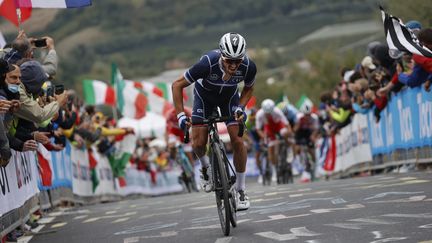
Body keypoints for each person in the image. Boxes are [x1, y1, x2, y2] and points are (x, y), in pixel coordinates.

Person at [172, 32, 256, 210]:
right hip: (204, 99)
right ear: (221, 55)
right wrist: (180, 115)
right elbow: (177, 85)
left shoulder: (248, 66)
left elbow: (249, 88)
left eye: (237, 61)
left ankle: (240, 190)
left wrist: (241, 107)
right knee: (199, 142)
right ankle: (205, 168)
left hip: (229, 100)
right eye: (229, 61)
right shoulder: (207, 63)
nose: (233, 66)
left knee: (238, 141)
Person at [255, 99, 291, 182]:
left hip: (279, 126)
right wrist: (264, 137)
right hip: (269, 128)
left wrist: (289, 133)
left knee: (284, 133)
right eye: (266, 113)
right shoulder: (259, 114)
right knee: (270, 148)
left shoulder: (277, 111)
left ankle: (287, 148)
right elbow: (258, 129)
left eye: (269, 112)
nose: (268, 114)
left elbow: (287, 124)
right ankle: (274, 171)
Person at [293, 103, 319, 181]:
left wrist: (313, 136)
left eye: (308, 114)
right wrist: (298, 124)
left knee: (311, 151)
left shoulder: (314, 117)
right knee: (297, 148)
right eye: (305, 115)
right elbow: (295, 130)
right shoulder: (298, 117)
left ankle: (315, 167)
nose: (307, 116)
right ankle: (299, 163)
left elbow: (316, 129)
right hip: (300, 133)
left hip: (309, 133)